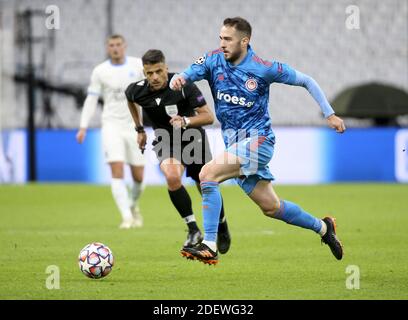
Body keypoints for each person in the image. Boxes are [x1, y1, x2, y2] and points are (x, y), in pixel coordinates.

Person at [171, 17, 346, 265]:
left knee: (208, 174)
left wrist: (329, 113)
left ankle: (209, 244)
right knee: (271, 208)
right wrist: (179, 78)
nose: (222, 43)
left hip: (259, 142)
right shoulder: (213, 59)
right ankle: (323, 228)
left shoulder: (263, 68)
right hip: (236, 146)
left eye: (228, 39)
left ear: (245, 41)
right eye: (220, 38)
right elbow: (187, 74)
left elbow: (307, 80)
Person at [125, 49, 231, 252]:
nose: (154, 77)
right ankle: (193, 229)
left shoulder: (183, 86)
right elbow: (130, 99)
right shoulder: (137, 90)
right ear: (144, 73)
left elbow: (208, 117)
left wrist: (185, 120)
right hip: (166, 141)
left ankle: (222, 224)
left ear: (166, 68)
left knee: (205, 185)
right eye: (149, 73)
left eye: (158, 71)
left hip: (192, 138)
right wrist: (139, 129)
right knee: (172, 177)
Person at [76, 34, 145, 229]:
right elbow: (91, 99)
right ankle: (126, 217)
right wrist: (83, 126)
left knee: (139, 177)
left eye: (118, 45)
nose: (115, 48)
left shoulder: (137, 66)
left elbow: (151, 88)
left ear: (125, 46)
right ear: (108, 48)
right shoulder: (100, 71)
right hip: (111, 126)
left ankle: (132, 206)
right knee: (117, 170)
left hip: (134, 126)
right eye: (111, 45)